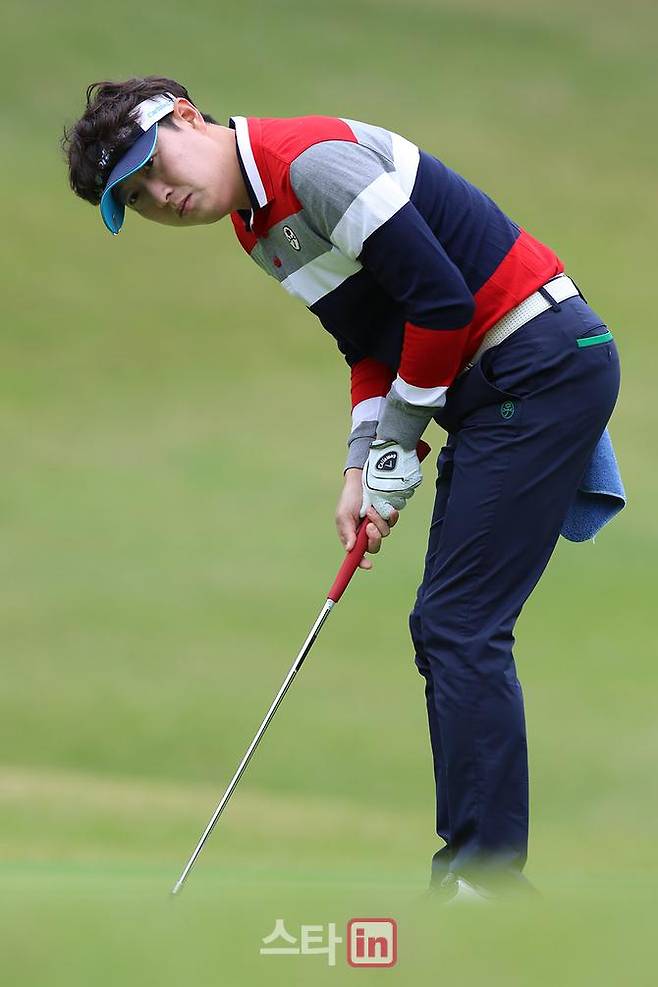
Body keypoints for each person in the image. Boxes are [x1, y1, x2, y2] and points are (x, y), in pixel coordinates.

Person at [62, 76, 621, 901]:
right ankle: (478, 877)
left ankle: (484, 882)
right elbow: (369, 342)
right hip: (497, 384)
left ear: (185, 117)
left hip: (535, 362)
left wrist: (399, 442)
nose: (161, 196)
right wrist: (363, 466)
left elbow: (442, 303)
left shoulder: (310, 165)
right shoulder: (256, 224)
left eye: (154, 166)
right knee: (450, 624)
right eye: (136, 198)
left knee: (458, 623)